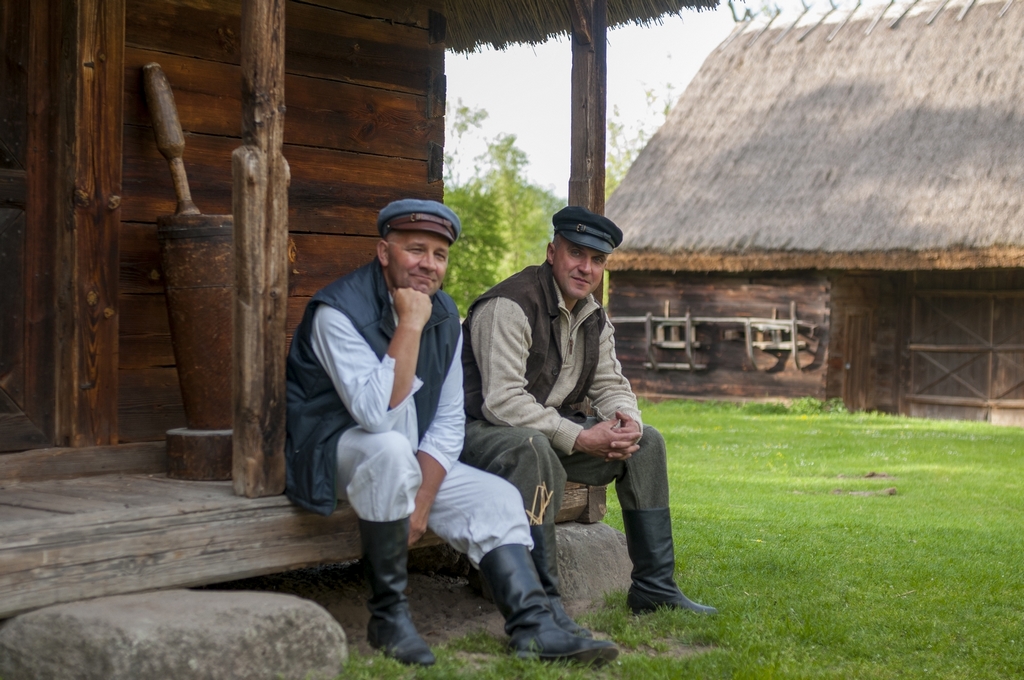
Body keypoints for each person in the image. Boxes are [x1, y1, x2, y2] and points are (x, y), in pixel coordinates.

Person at [284, 199, 618, 667]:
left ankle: (533, 627)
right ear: (384, 252)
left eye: (439, 254)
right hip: (331, 455)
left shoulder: (443, 313)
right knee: (387, 449)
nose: (429, 264)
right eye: (415, 250)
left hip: (405, 457)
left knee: (496, 499)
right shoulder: (337, 312)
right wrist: (410, 324)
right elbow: (375, 414)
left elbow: (446, 421)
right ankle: (389, 618)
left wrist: (421, 504)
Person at [460, 205, 717, 632]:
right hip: (481, 433)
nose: (586, 268)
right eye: (576, 253)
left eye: (597, 259)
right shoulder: (509, 305)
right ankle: (542, 606)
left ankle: (654, 588)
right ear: (552, 252)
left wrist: (626, 421)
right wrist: (578, 437)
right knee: (533, 447)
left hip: (540, 434)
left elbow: (610, 384)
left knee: (646, 443)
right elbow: (501, 402)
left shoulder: (592, 315)